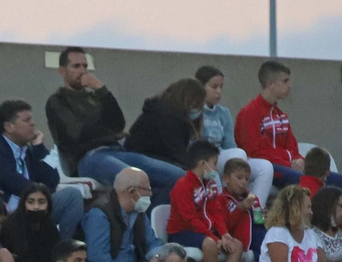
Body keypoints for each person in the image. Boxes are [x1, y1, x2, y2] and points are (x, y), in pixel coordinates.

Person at [45, 47, 184, 198]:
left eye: (85, 66)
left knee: (179, 178)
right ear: (62, 71)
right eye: (76, 66)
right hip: (89, 158)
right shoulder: (57, 101)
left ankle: (151, 216)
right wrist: (110, 134)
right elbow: (77, 133)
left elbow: (118, 123)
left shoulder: (95, 97)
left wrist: (101, 89)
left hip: (117, 151)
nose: (82, 71)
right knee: (134, 180)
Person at [0, 98, 84, 238]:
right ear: (9, 127)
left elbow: (52, 179)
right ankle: (62, 251)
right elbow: (13, 182)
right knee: (71, 196)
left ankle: (63, 251)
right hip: (7, 211)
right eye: (27, 120)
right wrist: (45, 192)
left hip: (32, 206)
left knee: (72, 197)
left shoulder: (29, 150)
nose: (33, 124)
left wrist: (39, 148)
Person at [194, 65, 275, 205]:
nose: (219, 92)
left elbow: (230, 144)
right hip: (205, 159)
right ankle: (229, 205)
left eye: (221, 87)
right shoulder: (194, 112)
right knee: (238, 154)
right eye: (214, 87)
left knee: (265, 167)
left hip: (224, 157)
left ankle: (255, 210)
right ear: (200, 87)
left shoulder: (223, 113)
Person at [166, 140, 242, 262]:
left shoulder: (211, 184)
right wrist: (214, 238)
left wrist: (225, 234)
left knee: (236, 244)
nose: (216, 168)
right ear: (202, 164)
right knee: (209, 244)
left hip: (205, 231)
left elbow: (216, 213)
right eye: (214, 163)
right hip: (182, 231)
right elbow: (190, 220)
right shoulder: (182, 185)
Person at [78, 168, 157, 262]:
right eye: (147, 190)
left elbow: (153, 242)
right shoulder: (99, 213)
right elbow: (98, 258)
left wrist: (155, 258)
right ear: (132, 191)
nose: (150, 194)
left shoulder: (138, 212)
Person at [233, 60, 306, 190]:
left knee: (340, 181)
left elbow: (293, 148)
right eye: (285, 81)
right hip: (264, 168)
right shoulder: (249, 113)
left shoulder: (281, 115)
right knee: (304, 181)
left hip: (286, 167)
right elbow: (253, 152)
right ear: (271, 84)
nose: (290, 86)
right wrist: (288, 162)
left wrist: (301, 161)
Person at [122, 77, 203, 180]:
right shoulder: (167, 116)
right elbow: (177, 152)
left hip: (148, 156)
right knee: (181, 177)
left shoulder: (166, 111)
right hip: (140, 157)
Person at [2, 183, 60, 262]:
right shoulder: (11, 225)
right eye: (30, 202)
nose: (36, 207)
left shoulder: (50, 227)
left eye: (41, 202)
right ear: (23, 203)